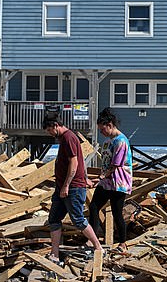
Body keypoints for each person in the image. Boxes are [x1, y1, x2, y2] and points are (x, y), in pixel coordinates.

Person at [43, 113, 102, 264]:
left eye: (49, 130)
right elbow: (80, 163)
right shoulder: (65, 139)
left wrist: (67, 185)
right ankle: (54, 254)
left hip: (72, 188)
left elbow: (74, 163)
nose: (49, 133)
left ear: (56, 125)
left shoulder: (69, 138)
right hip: (63, 186)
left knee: (78, 219)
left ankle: (98, 247)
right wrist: (84, 179)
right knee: (54, 219)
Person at [89, 107, 133, 254]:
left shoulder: (121, 141)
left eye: (102, 129)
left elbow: (115, 164)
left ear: (109, 125)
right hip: (106, 181)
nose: (101, 132)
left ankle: (122, 243)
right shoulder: (108, 141)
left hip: (118, 182)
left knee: (116, 212)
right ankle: (92, 238)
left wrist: (101, 177)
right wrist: (101, 177)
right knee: (94, 206)